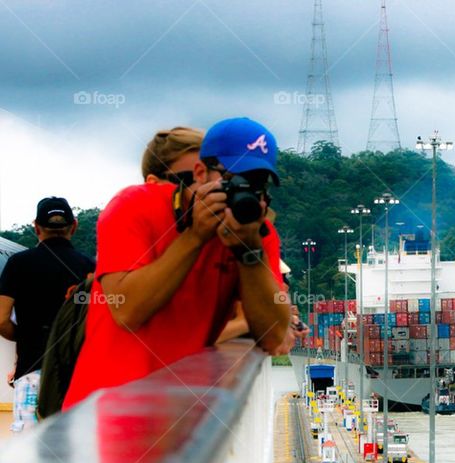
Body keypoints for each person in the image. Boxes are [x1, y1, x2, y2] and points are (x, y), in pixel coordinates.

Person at [63, 118, 292, 409]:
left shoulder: (259, 233)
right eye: (232, 179)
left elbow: (274, 338)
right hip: (107, 408)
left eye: (255, 183)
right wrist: (195, 236)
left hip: (181, 412)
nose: (243, 191)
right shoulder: (133, 206)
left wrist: (248, 252)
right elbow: (128, 311)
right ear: (200, 172)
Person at [0, 197, 94, 431]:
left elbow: (1, 320)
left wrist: (24, 337)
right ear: (73, 226)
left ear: (36, 228)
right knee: (74, 452)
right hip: (77, 375)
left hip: (31, 371)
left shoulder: (18, 264)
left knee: (29, 454)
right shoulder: (89, 267)